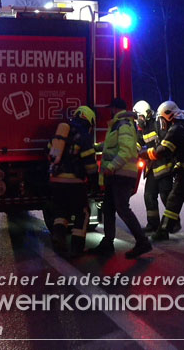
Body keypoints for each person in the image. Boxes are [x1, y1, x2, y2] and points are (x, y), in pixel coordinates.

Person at [90, 98, 152, 259]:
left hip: (121, 175)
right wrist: (95, 147)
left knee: (122, 208)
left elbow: (125, 151)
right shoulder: (119, 125)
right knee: (108, 208)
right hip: (116, 175)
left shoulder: (123, 124)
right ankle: (107, 243)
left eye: (111, 108)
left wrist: (111, 167)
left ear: (115, 109)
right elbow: (112, 146)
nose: (110, 111)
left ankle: (142, 242)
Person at [141, 101, 184, 240]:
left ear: (168, 116)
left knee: (174, 199)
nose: (161, 123)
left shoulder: (175, 130)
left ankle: (163, 230)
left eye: (161, 119)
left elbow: (163, 150)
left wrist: (145, 153)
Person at [48, 106, 99, 258]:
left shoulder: (61, 133)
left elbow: (49, 150)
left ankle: (59, 237)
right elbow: (89, 163)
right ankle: (77, 247)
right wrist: (94, 182)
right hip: (74, 182)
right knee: (82, 213)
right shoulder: (84, 135)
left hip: (55, 180)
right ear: (88, 120)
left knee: (61, 211)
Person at [133, 100, 174, 232]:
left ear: (145, 114)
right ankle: (153, 224)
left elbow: (165, 143)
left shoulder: (158, 123)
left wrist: (149, 153)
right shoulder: (143, 129)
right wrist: (131, 153)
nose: (137, 121)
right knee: (149, 195)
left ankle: (172, 223)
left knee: (165, 196)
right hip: (152, 167)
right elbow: (138, 143)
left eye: (138, 117)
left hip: (164, 166)